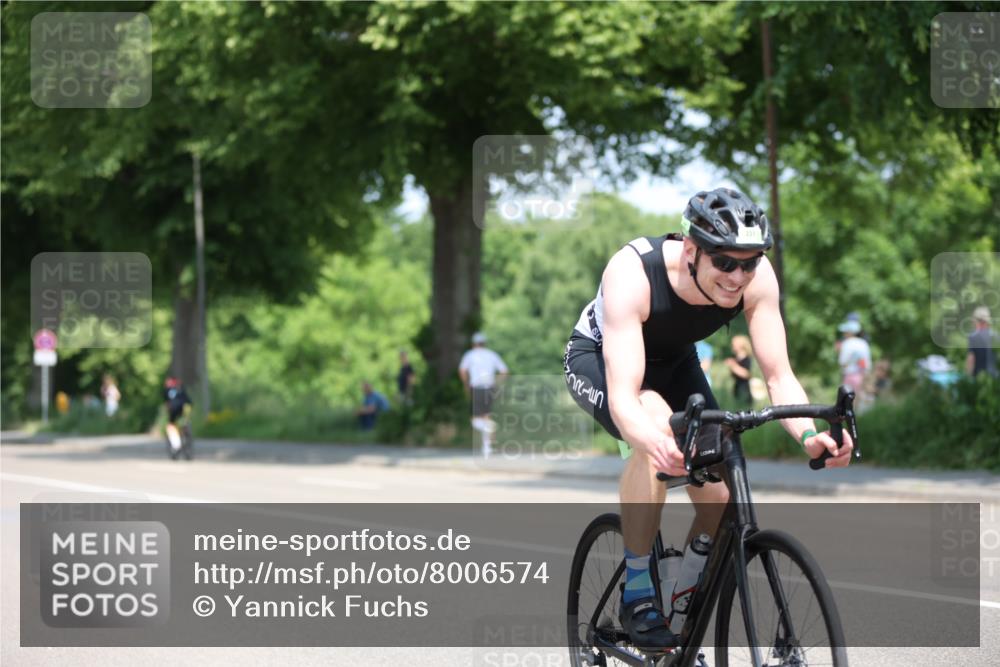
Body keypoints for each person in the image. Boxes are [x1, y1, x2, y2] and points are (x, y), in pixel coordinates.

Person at [563, 187, 853, 650]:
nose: (738, 276)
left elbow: (778, 377)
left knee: (721, 495)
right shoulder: (634, 272)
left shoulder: (756, 279)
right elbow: (624, 398)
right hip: (601, 360)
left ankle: (684, 597)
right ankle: (637, 591)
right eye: (725, 262)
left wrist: (811, 437)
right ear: (692, 250)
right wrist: (655, 442)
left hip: (676, 362)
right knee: (656, 424)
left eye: (750, 262)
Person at [458, 332, 509, 457]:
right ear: (484, 343)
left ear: (474, 343)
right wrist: (497, 383)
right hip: (489, 387)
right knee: (486, 416)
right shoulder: (491, 355)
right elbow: (504, 371)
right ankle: (486, 447)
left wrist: (465, 384)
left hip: (476, 387)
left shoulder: (470, 355)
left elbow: (462, 370)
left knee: (475, 419)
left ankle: (488, 435)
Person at [837, 319, 872, 400]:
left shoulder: (846, 343)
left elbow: (842, 362)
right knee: (859, 400)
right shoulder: (864, 343)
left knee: (847, 401)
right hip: (862, 376)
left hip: (850, 376)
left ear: (850, 332)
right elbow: (867, 364)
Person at [966, 306, 998, 377]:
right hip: (995, 377)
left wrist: (968, 376)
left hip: (979, 377)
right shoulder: (996, 336)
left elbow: (971, 358)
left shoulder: (973, 337)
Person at [163, 377, 192, 452]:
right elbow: (189, 402)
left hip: (173, 409)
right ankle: (185, 430)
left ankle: (176, 444)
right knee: (183, 421)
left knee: (171, 425)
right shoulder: (181, 389)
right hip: (183, 408)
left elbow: (167, 403)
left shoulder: (168, 390)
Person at [723, 335, 753, 409]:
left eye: (734, 344)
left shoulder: (747, 359)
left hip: (745, 391)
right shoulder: (736, 359)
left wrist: (733, 365)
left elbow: (746, 374)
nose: (732, 345)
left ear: (741, 345)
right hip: (737, 389)